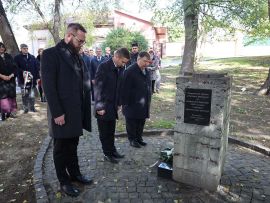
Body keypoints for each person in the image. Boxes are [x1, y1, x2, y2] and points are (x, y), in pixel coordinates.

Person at [41, 23, 92, 197]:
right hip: (61, 113)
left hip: (76, 112)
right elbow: (49, 87)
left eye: (83, 42)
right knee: (61, 149)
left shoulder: (77, 55)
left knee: (73, 145)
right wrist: (57, 113)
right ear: (69, 35)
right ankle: (64, 182)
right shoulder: (50, 54)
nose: (82, 44)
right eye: (80, 40)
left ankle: (75, 174)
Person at [94, 48, 130, 164]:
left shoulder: (120, 68)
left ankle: (112, 150)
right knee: (104, 132)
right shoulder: (103, 67)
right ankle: (107, 153)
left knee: (111, 131)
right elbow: (98, 87)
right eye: (123, 61)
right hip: (103, 105)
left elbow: (119, 87)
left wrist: (119, 102)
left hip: (113, 105)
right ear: (117, 57)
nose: (124, 64)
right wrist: (99, 107)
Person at [121, 51, 152, 148]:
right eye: (145, 61)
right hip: (132, 103)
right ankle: (132, 140)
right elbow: (124, 88)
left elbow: (148, 85)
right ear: (138, 59)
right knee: (132, 123)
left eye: (148, 62)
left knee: (141, 121)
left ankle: (139, 138)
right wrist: (125, 104)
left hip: (143, 102)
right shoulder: (129, 71)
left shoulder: (146, 70)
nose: (146, 64)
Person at [14, 44, 40, 113]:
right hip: (23, 80)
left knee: (32, 94)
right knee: (24, 95)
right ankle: (25, 108)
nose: (26, 50)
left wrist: (37, 77)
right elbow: (16, 68)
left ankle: (32, 107)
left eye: (26, 48)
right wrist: (23, 72)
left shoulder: (32, 57)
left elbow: (36, 68)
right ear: (21, 49)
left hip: (32, 80)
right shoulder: (17, 58)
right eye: (24, 48)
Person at [0, 42, 17, 121]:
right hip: (1, 81)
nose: (1, 48)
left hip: (11, 80)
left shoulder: (9, 56)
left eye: (3, 47)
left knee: (11, 96)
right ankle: (3, 114)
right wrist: (2, 76)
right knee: (3, 97)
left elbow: (15, 67)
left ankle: (10, 113)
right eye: (0, 47)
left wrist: (11, 75)